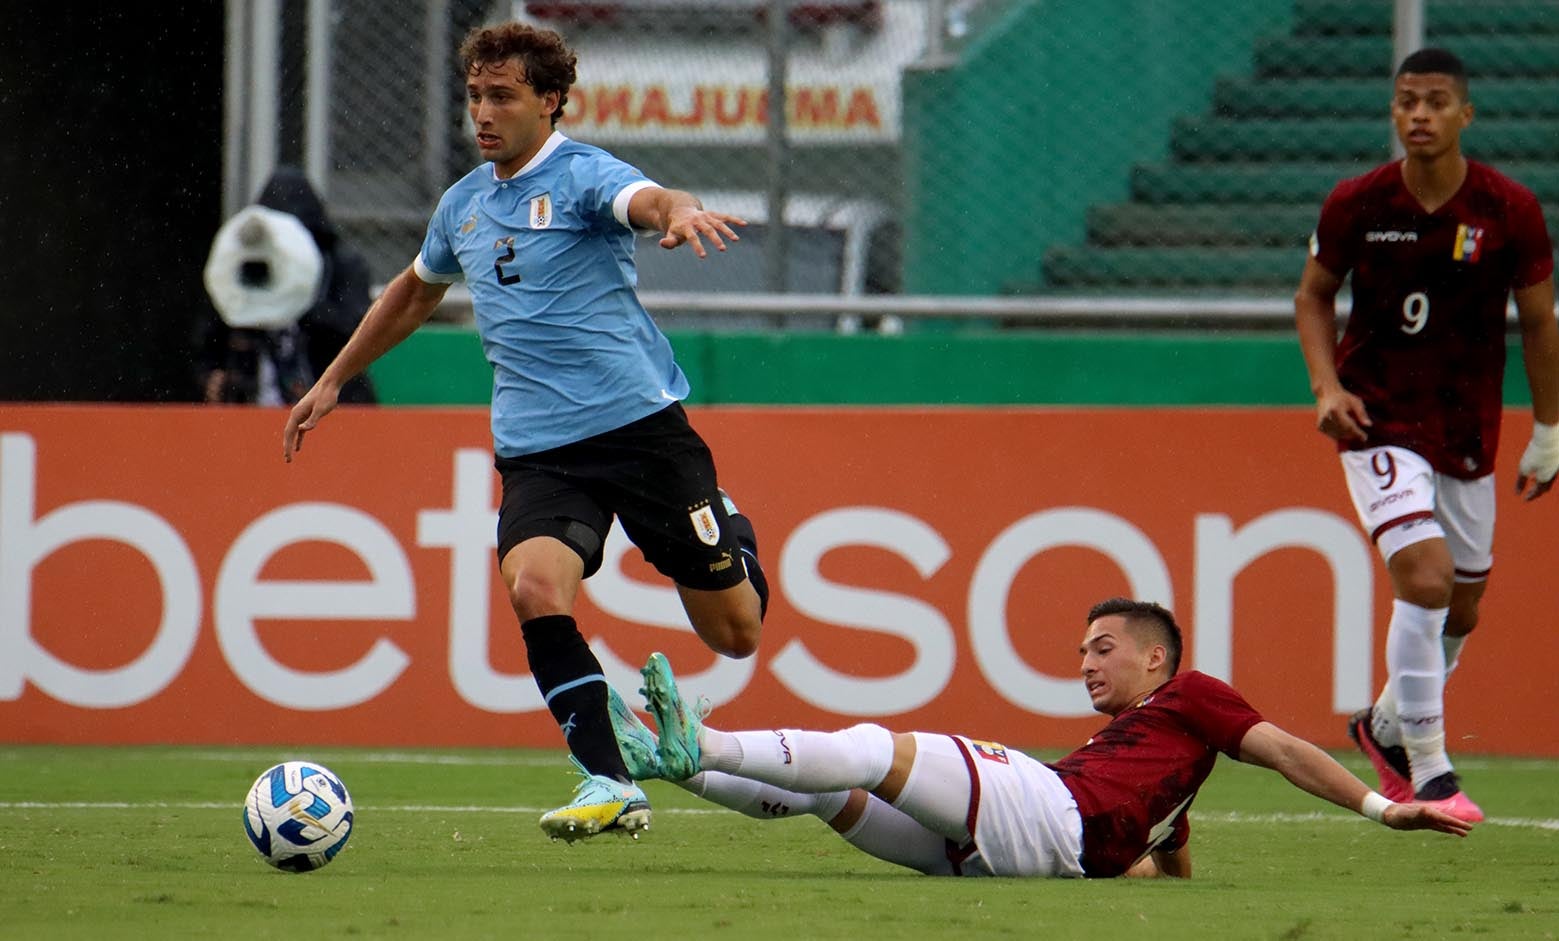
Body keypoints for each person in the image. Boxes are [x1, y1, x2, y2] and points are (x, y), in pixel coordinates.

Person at [280, 22, 769, 841]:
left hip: (640, 432)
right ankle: (607, 780)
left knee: (734, 633)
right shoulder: (464, 204)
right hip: (539, 448)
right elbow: (413, 291)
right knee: (533, 587)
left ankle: (723, 516)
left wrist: (680, 212)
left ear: (549, 103)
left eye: (501, 95)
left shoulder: (581, 175)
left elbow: (647, 201)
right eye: (474, 94)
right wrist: (332, 378)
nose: (482, 111)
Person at [608, 598, 1470, 878]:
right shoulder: (1157, 753)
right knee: (835, 791)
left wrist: (1375, 805)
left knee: (876, 746)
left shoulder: (1195, 693)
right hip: (1034, 851)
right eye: (1082, 651)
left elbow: (1282, 748)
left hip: (1049, 814)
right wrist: (1167, 876)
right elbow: (1160, 842)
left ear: (1156, 655)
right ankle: (661, 760)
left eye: (1103, 648)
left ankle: (704, 746)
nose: (1087, 664)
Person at [1293, 47, 1559, 823]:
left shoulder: (1507, 209)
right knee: (1424, 577)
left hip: (1465, 427)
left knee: (1462, 609)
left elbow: (1540, 323)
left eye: (1435, 101)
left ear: (1464, 114)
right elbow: (1313, 296)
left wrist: (1547, 429)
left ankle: (1381, 726)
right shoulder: (1357, 203)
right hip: (1376, 418)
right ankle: (1430, 765)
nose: (1417, 114)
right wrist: (1325, 386)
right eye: (1405, 100)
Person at [199, 166, 378, 405]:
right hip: (250, 405)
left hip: (328, 401)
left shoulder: (341, 265)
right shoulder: (239, 268)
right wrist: (211, 377)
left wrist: (302, 304)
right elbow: (208, 339)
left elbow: (359, 331)